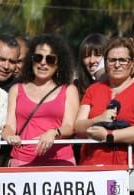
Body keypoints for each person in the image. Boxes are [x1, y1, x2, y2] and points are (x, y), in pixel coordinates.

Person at [75, 37, 134, 167]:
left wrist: (109, 135)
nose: (117, 64)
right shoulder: (93, 90)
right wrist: (98, 119)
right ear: (106, 64)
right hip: (89, 170)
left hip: (125, 171)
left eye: (123, 60)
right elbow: (78, 126)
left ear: (132, 63)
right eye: (112, 60)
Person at [4, 34, 79, 167]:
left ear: (58, 64)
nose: (43, 63)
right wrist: (9, 136)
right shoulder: (16, 89)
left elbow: (70, 127)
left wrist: (54, 132)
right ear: (31, 60)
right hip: (21, 161)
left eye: (50, 59)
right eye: (38, 57)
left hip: (59, 161)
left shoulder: (69, 90)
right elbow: (9, 126)